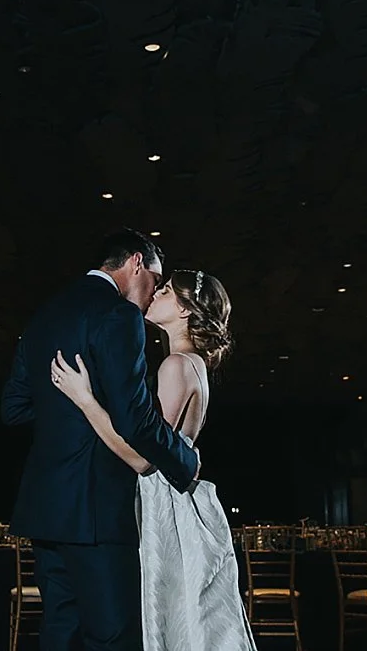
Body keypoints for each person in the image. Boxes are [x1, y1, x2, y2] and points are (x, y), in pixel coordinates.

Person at [1, 229, 200, 651]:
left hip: (47, 507)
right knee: (110, 637)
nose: (151, 295)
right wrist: (183, 459)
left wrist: (72, 405)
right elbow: (136, 419)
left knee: (60, 631)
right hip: (96, 507)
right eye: (155, 281)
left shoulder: (46, 314)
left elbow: (14, 407)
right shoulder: (118, 315)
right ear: (136, 263)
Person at [49, 268, 258, 651]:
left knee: (166, 623)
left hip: (167, 509)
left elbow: (140, 457)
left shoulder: (176, 365)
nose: (154, 294)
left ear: (183, 310)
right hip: (180, 503)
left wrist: (84, 399)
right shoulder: (194, 365)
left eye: (164, 291)